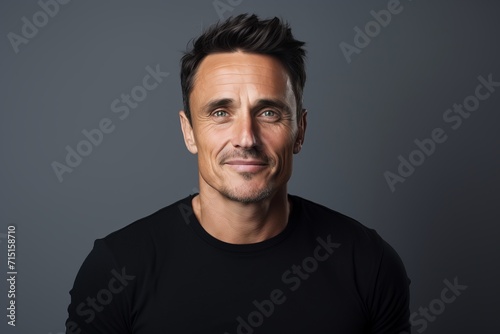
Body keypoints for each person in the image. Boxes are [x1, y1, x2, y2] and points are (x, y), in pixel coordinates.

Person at [66, 14, 410, 333]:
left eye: (269, 113)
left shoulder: (368, 264)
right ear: (189, 133)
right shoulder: (116, 270)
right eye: (220, 112)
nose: (246, 138)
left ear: (300, 132)